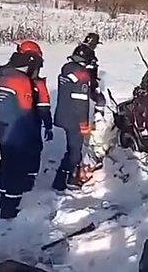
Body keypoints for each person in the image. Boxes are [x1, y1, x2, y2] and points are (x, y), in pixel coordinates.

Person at [0, 48, 49, 219]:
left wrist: (4, 122)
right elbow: (26, 113)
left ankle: (6, 201)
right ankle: (12, 209)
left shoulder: (3, 76)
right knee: (17, 168)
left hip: (5, 130)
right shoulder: (21, 81)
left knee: (7, 164)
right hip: (19, 133)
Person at [51, 45, 96, 191]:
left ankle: (66, 177)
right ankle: (64, 180)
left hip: (63, 114)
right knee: (74, 151)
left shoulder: (67, 69)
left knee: (72, 148)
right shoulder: (82, 75)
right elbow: (81, 102)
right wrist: (84, 123)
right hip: (74, 118)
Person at [16, 39, 54, 189]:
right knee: (32, 154)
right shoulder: (37, 84)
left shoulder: (8, 78)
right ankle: (27, 185)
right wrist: (48, 126)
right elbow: (44, 107)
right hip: (30, 126)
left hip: (14, 127)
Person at [77, 33, 106, 121]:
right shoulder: (88, 52)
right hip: (86, 83)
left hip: (76, 83)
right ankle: (98, 120)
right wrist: (95, 84)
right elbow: (88, 71)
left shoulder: (79, 50)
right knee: (100, 100)